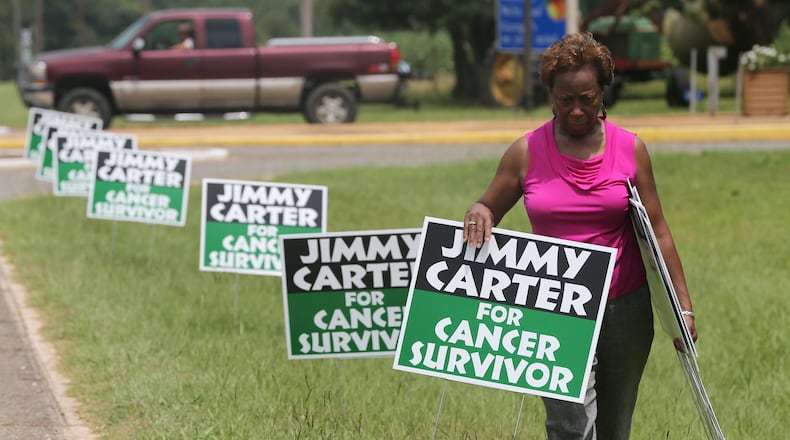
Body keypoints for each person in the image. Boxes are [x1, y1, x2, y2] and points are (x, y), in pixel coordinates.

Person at [462, 32, 697, 440]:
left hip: (624, 307)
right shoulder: (526, 152)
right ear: (550, 94)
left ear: (603, 91)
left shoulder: (630, 149)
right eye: (564, 99)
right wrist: (478, 212)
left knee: (614, 426)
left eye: (586, 99)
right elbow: (487, 207)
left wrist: (684, 308)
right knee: (568, 424)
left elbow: (658, 228)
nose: (575, 110)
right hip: (553, 309)